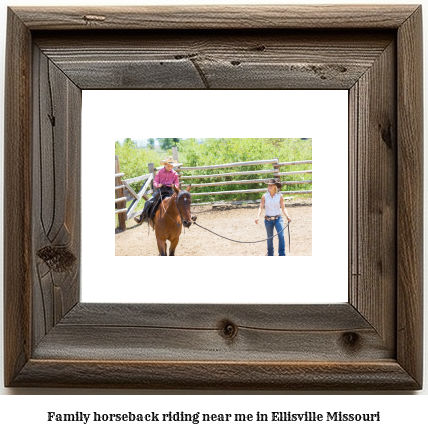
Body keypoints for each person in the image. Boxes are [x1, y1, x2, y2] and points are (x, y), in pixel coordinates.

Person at [134, 156, 180, 225]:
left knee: (181, 200)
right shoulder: (160, 172)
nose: (170, 167)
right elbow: (155, 181)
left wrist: (175, 186)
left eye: (171, 166)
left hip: (170, 190)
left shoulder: (174, 173)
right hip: (161, 190)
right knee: (148, 202)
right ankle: (142, 218)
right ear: (164, 164)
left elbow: (177, 183)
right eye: (168, 166)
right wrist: (158, 185)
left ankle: (189, 217)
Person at [255, 178, 291, 256]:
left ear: (275, 186)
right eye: (268, 185)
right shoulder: (264, 196)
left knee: (281, 236)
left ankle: (282, 254)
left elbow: (283, 207)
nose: (269, 186)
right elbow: (261, 207)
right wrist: (258, 216)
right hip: (268, 219)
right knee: (269, 237)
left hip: (278, 219)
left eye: (271, 185)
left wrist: (287, 216)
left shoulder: (280, 196)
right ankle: (270, 254)